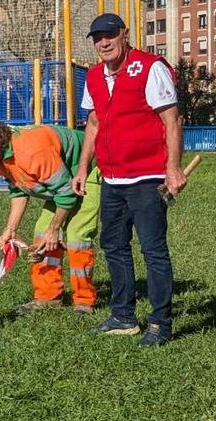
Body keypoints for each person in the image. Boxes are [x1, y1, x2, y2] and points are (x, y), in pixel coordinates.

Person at [71, 12, 186, 346]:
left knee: (153, 250)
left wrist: (173, 168)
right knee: (114, 245)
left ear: (125, 34)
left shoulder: (149, 67)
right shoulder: (93, 76)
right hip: (112, 178)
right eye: (97, 38)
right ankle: (123, 315)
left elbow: (172, 120)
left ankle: (159, 323)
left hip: (148, 177)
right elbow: (93, 124)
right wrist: (82, 169)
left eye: (109, 35)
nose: (103, 42)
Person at [0, 119, 101, 314]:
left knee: (77, 237)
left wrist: (54, 230)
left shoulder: (31, 151)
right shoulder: (3, 159)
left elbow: (66, 193)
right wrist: (10, 230)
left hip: (87, 170)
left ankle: (84, 301)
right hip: (63, 182)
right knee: (41, 236)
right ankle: (47, 296)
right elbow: (19, 192)